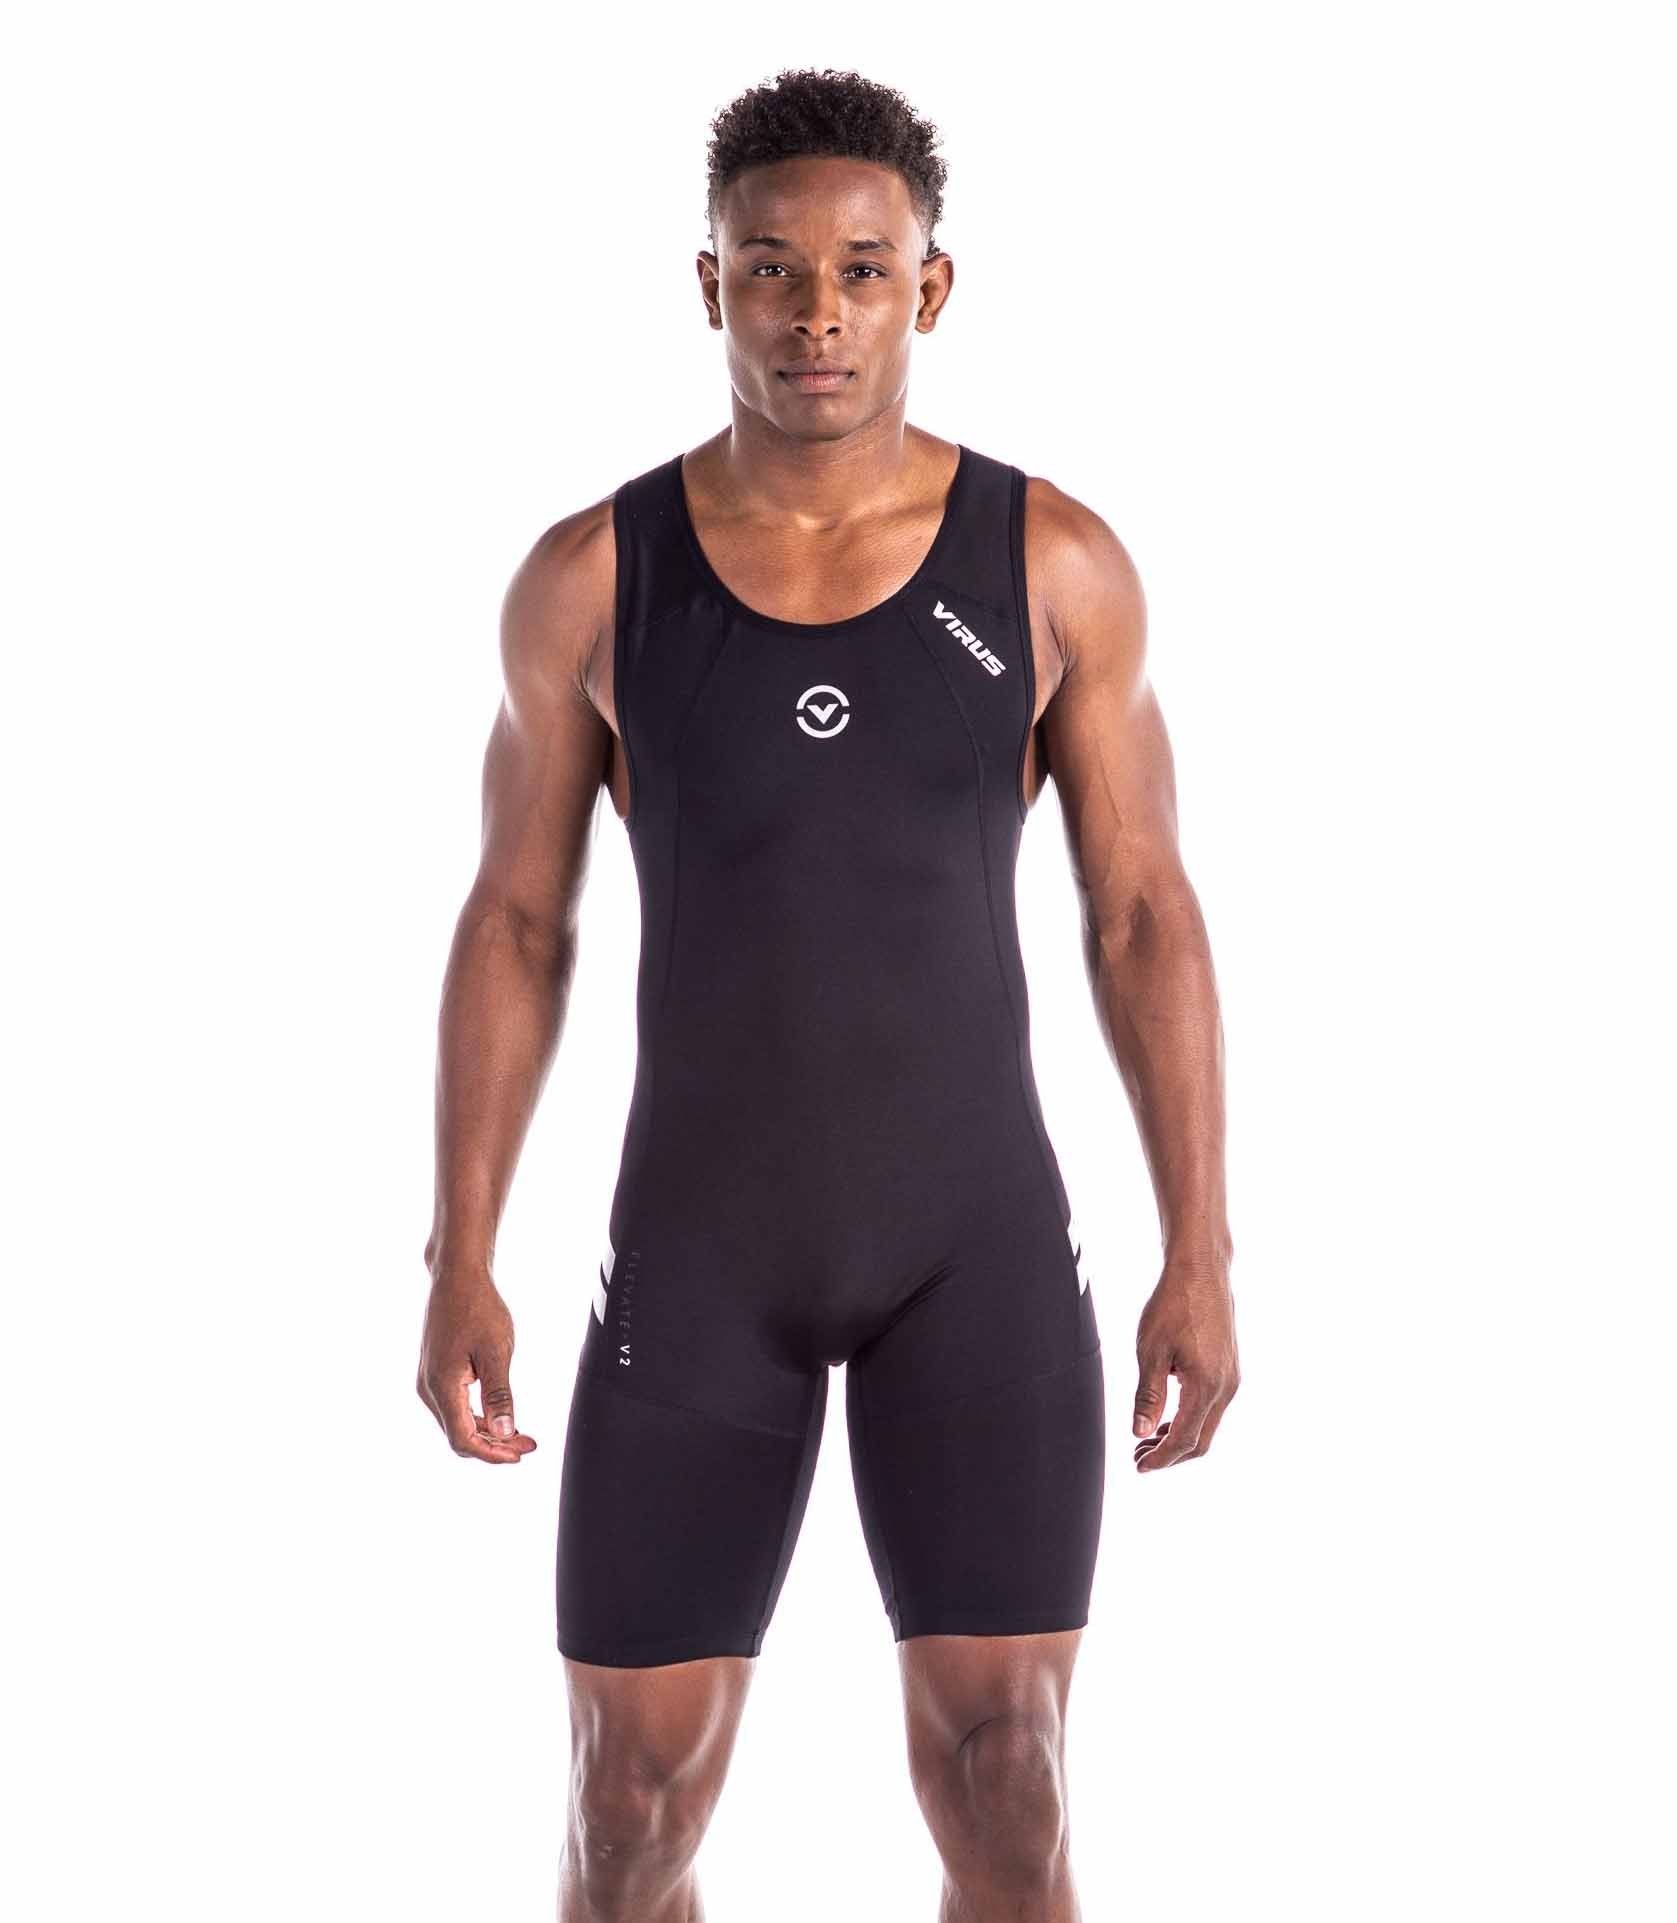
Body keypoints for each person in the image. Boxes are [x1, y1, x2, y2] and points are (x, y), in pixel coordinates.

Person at [417, 65, 1239, 1923]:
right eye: (772, 268)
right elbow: (516, 923)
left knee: (1009, 1787)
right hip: (702, 1255)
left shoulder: (1050, 562)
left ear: (927, 288)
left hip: (975, 1252)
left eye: (862, 270)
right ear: (706, 282)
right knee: (627, 1814)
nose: (816, 313)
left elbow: (1141, 913)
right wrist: (462, 1250)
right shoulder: (591, 581)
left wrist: (1199, 1249)